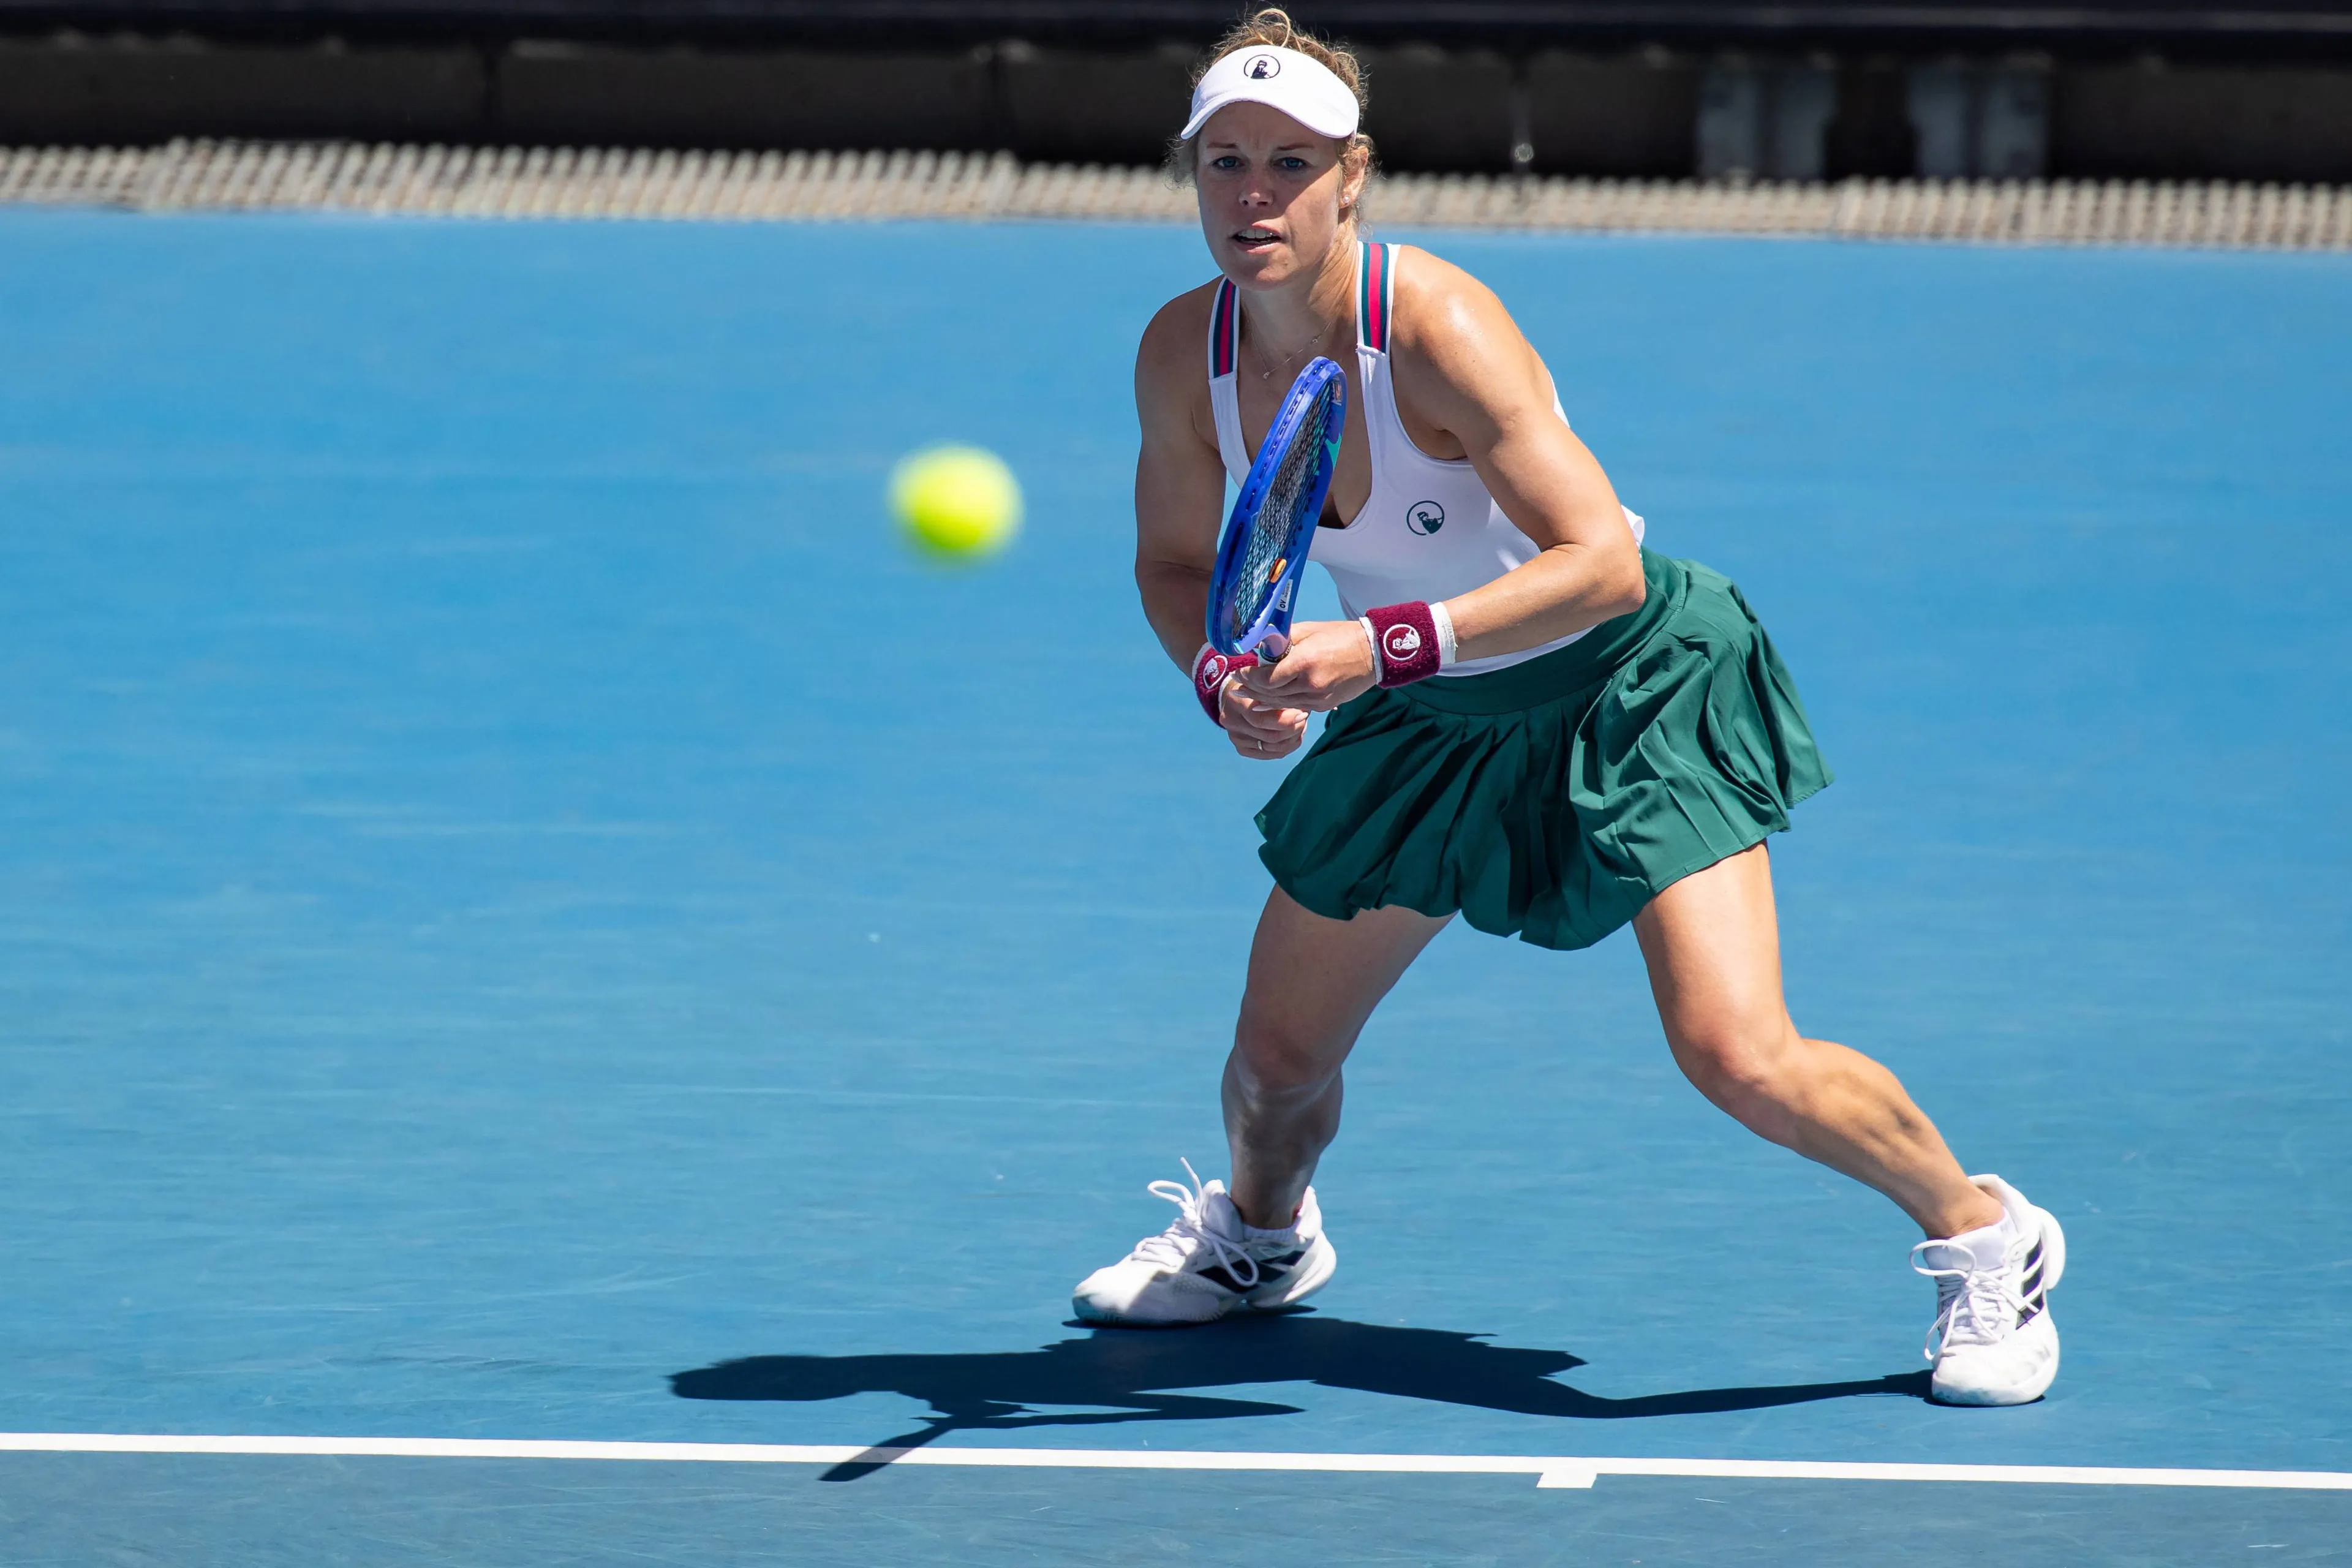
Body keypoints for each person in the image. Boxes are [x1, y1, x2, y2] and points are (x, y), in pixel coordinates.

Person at [1076, 9, 2065, 1407]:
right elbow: (1177, 564)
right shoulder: (1184, 352)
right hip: (1432, 706)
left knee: (1739, 1053)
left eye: (1288, 164)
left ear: (1352, 172)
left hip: (1627, 684)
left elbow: (1598, 562)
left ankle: (1989, 1232)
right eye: (1223, 162)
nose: (1252, 196)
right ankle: (1261, 1238)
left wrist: (1373, 648)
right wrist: (1222, 676)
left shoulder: (1436, 323)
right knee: (1275, 1065)